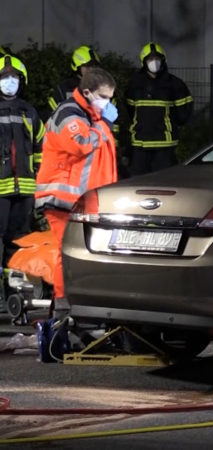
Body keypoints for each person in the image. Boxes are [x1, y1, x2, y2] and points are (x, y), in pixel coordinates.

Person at [35, 67, 118, 314]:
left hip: (81, 201)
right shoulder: (69, 114)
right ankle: (62, 308)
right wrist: (105, 126)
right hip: (62, 199)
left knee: (80, 254)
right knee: (68, 254)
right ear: (87, 92)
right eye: (104, 96)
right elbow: (80, 144)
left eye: (110, 98)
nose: (107, 102)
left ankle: (77, 307)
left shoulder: (90, 115)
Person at [0, 55, 44, 276]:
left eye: (14, 76)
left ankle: (13, 286)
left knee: (19, 238)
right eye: (5, 76)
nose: (10, 80)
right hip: (0, 189)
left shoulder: (30, 112)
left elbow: (40, 149)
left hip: (25, 189)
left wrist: (41, 181)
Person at [125, 41, 193, 175]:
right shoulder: (134, 85)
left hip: (164, 147)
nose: (154, 62)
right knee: (138, 184)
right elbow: (129, 110)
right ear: (143, 62)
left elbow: (184, 114)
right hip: (140, 145)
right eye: (150, 59)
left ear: (163, 60)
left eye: (157, 58)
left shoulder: (175, 84)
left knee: (163, 183)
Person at [47, 45, 101, 112]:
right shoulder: (63, 89)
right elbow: (53, 116)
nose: (91, 70)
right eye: (87, 66)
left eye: (93, 66)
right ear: (77, 67)